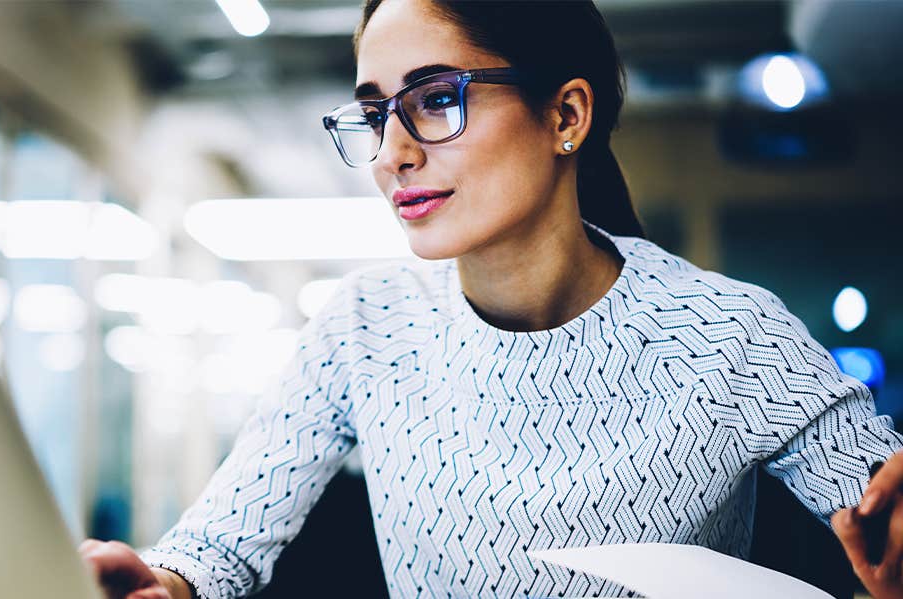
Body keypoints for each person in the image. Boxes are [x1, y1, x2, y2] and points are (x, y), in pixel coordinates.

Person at [79, 1, 903, 597]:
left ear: (565, 115)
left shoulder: (728, 335)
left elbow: (883, 516)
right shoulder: (366, 328)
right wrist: (165, 582)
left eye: (436, 98)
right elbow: (218, 544)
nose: (391, 153)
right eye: (374, 112)